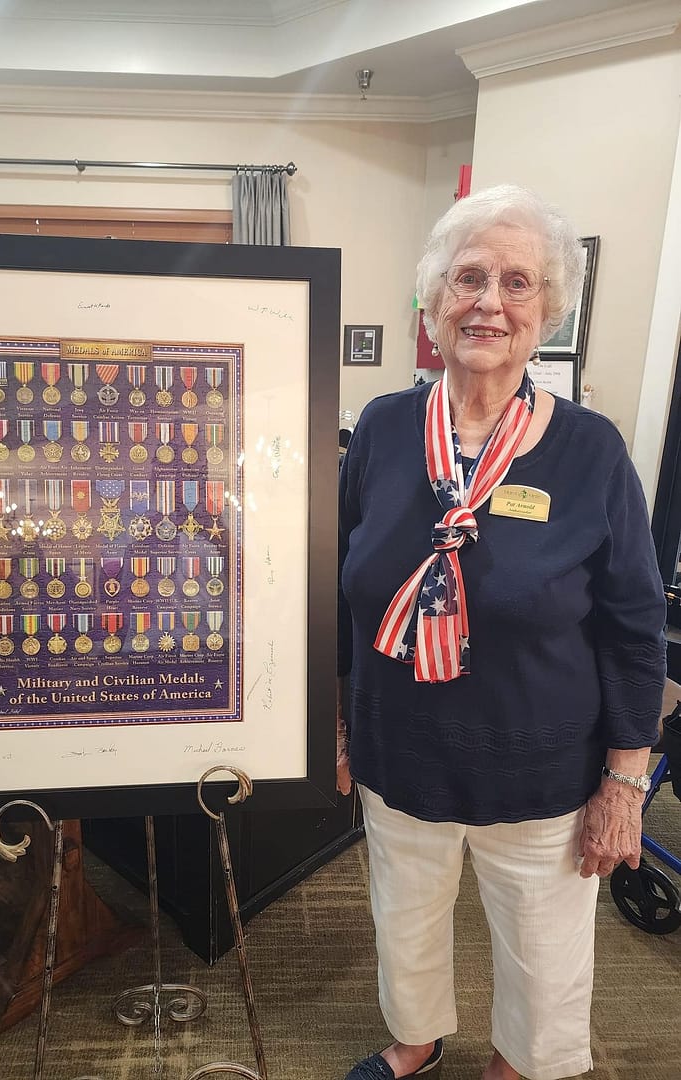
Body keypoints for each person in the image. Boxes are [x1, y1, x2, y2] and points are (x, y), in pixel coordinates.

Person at [337, 184, 666, 1080]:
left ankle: (521, 1062)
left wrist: (625, 783)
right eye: (468, 277)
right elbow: (347, 585)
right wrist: (336, 721)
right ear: (434, 303)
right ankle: (415, 1037)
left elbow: (635, 625)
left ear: (546, 311)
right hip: (399, 745)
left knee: (542, 944)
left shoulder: (591, 450)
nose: (489, 301)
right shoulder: (383, 427)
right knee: (403, 912)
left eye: (517, 283)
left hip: (540, 764)